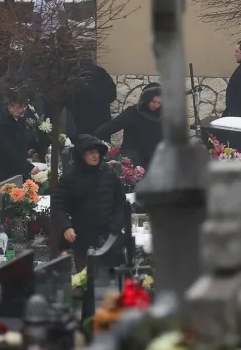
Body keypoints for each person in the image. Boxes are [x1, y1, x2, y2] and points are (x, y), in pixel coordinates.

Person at [58, 135, 130, 267]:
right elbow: (58, 205)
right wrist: (66, 227)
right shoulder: (69, 178)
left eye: (97, 152)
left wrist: (117, 226)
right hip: (82, 237)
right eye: (91, 152)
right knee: (85, 280)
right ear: (81, 154)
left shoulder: (108, 173)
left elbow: (121, 202)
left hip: (109, 235)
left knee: (113, 279)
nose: (95, 155)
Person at [99, 86, 163, 169]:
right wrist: (94, 136)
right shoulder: (133, 112)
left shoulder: (163, 116)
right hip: (132, 154)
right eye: (153, 102)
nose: (156, 105)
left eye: (159, 103)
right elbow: (113, 125)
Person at [0, 93, 40, 185]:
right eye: (20, 106)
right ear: (10, 108)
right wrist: (28, 167)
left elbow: (21, 145)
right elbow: (9, 152)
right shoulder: (3, 125)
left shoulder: (20, 121)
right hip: (2, 175)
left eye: (25, 106)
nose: (23, 109)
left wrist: (26, 157)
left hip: (14, 173)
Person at [65, 57, 118, 139]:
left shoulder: (74, 73)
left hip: (79, 117)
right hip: (101, 116)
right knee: (102, 144)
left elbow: (68, 98)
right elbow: (112, 94)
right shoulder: (102, 73)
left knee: (81, 143)